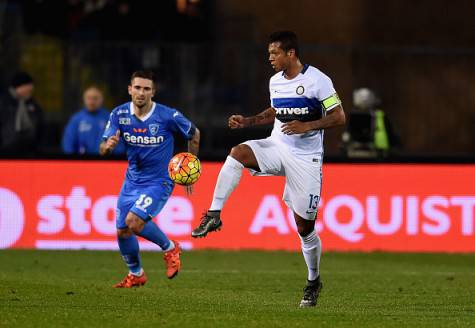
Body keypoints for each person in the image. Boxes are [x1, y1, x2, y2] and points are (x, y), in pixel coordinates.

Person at [191, 31, 346, 307]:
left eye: (275, 53)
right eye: (269, 54)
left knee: (304, 227)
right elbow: (275, 111)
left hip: (305, 158)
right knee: (237, 153)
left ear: (291, 53)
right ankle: (214, 214)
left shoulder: (317, 81)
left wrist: (307, 126)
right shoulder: (275, 81)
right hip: (278, 146)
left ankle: (313, 280)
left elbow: (339, 116)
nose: (270, 58)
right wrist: (248, 121)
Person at [100, 70, 200, 288]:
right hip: (132, 181)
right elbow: (103, 146)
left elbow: (194, 133)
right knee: (122, 230)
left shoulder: (167, 116)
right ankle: (136, 274)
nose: (141, 93)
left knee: (133, 223)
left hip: (159, 181)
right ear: (130, 89)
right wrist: (107, 147)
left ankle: (170, 247)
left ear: (153, 92)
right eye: (137, 87)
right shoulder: (119, 114)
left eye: (146, 89)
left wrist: (191, 168)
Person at [62, 86, 125, 155]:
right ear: (84, 99)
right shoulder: (76, 119)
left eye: (95, 98)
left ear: (101, 99)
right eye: (89, 98)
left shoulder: (110, 118)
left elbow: (119, 143)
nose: (91, 102)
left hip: (105, 161)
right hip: (81, 162)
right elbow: (68, 144)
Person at [341, 87, 399, 158]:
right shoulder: (352, 116)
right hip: (357, 151)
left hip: (376, 152)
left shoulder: (379, 116)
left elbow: (391, 135)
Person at [0, 72, 44, 154]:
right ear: (20, 86)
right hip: (6, 150)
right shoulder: (4, 103)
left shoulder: (33, 105)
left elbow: (40, 126)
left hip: (29, 151)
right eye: (28, 86)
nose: (31, 89)